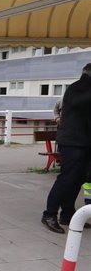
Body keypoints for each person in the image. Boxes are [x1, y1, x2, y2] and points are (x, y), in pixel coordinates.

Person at [42, 63, 91, 233]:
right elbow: (79, 102)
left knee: (77, 179)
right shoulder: (76, 88)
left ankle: (67, 214)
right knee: (67, 178)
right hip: (72, 141)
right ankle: (49, 214)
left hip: (83, 142)